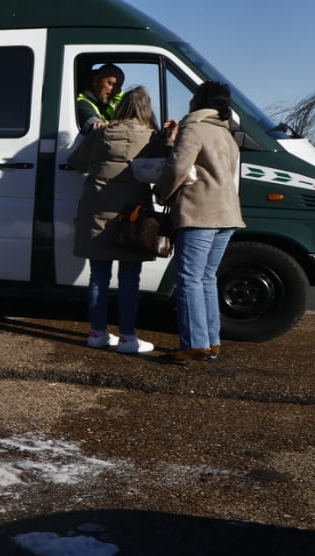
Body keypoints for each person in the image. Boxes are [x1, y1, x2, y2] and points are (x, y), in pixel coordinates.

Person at [67, 86, 169, 353]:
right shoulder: (152, 137)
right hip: (132, 216)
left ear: (123, 106)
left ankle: (97, 333)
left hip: (97, 212)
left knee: (98, 276)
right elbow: (165, 167)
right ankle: (127, 338)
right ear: (147, 109)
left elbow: (75, 161)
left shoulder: (101, 133)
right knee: (129, 278)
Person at [156, 80, 244, 361]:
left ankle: (194, 344)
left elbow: (179, 166)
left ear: (199, 100)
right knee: (206, 278)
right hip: (227, 213)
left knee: (189, 278)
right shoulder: (227, 134)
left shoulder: (194, 127)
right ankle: (210, 341)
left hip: (200, 211)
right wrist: (173, 139)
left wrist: (161, 192)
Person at [75, 63, 127, 133]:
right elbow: (96, 127)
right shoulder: (82, 104)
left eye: (118, 86)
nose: (114, 90)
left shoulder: (110, 103)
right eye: (110, 83)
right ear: (95, 80)